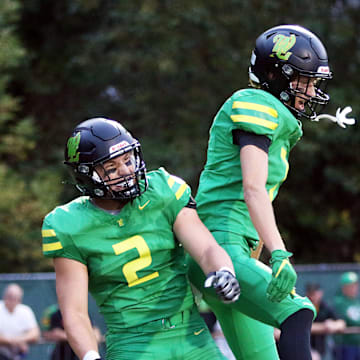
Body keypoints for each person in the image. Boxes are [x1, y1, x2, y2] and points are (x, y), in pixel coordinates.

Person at [187, 24, 335, 360]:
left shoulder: (274, 115)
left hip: (232, 248)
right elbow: (252, 189)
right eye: (305, 80)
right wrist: (279, 252)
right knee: (298, 311)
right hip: (220, 248)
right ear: (276, 75)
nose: (311, 90)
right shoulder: (255, 102)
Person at [41, 117, 241, 360]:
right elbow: (74, 312)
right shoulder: (67, 225)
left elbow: (206, 247)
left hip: (191, 333)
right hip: (133, 342)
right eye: (112, 168)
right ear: (86, 176)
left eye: (128, 160)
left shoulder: (162, 191)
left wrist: (223, 270)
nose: (127, 171)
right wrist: (90, 355)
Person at [0, 283, 40, 360]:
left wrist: (18, 340)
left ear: (20, 299)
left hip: (18, 354)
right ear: (4, 296)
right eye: (10, 296)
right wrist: (14, 342)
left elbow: (35, 333)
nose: (12, 300)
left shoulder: (25, 310)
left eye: (15, 297)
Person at [305, 283, 346, 359]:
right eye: (311, 293)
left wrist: (333, 325)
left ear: (320, 294)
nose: (313, 296)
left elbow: (341, 322)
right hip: (306, 345)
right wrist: (322, 326)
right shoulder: (304, 306)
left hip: (322, 346)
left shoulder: (324, 306)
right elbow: (303, 327)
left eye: (315, 293)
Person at [333, 272, 360, 360]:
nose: (354, 288)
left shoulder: (357, 301)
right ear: (344, 287)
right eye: (350, 285)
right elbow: (349, 320)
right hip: (345, 346)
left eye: (355, 285)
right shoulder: (339, 302)